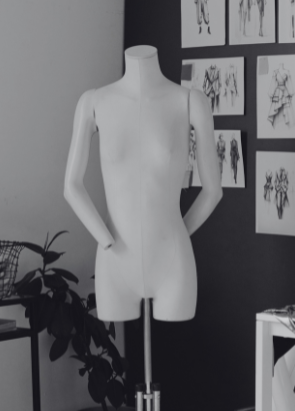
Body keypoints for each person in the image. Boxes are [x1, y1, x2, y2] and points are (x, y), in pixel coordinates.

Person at [63, 45, 222, 322]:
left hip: (171, 258)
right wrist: (104, 239)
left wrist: (178, 234)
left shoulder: (190, 101)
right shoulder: (93, 102)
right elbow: (71, 186)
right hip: (115, 260)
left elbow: (213, 191)